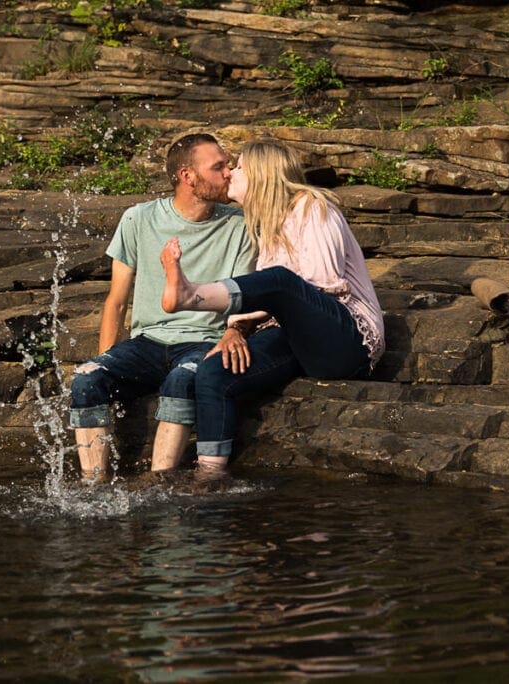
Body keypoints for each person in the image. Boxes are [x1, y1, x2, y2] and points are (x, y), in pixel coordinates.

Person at [158, 139, 386, 473]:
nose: (231, 173)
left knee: (280, 280)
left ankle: (191, 296)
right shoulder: (267, 225)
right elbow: (271, 295)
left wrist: (271, 297)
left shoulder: (312, 206)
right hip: (296, 338)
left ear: (262, 175)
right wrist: (235, 329)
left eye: (238, 167)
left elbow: (324, 283)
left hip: (345, 342)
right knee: (214, 370)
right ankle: (209, 473)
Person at [69, 133, 256, 483]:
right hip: (147, 343)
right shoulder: (138, 219)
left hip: (203, 342)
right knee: (85, 379)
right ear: (187, 176)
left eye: (228, 165)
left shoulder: (240, 226)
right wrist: (111, 367)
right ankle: (92, 486)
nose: (229, 172)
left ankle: (158, 484)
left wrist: (235, 331)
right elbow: (117, 301)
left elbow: (243, 296)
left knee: (182, 380)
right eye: (218, 167)